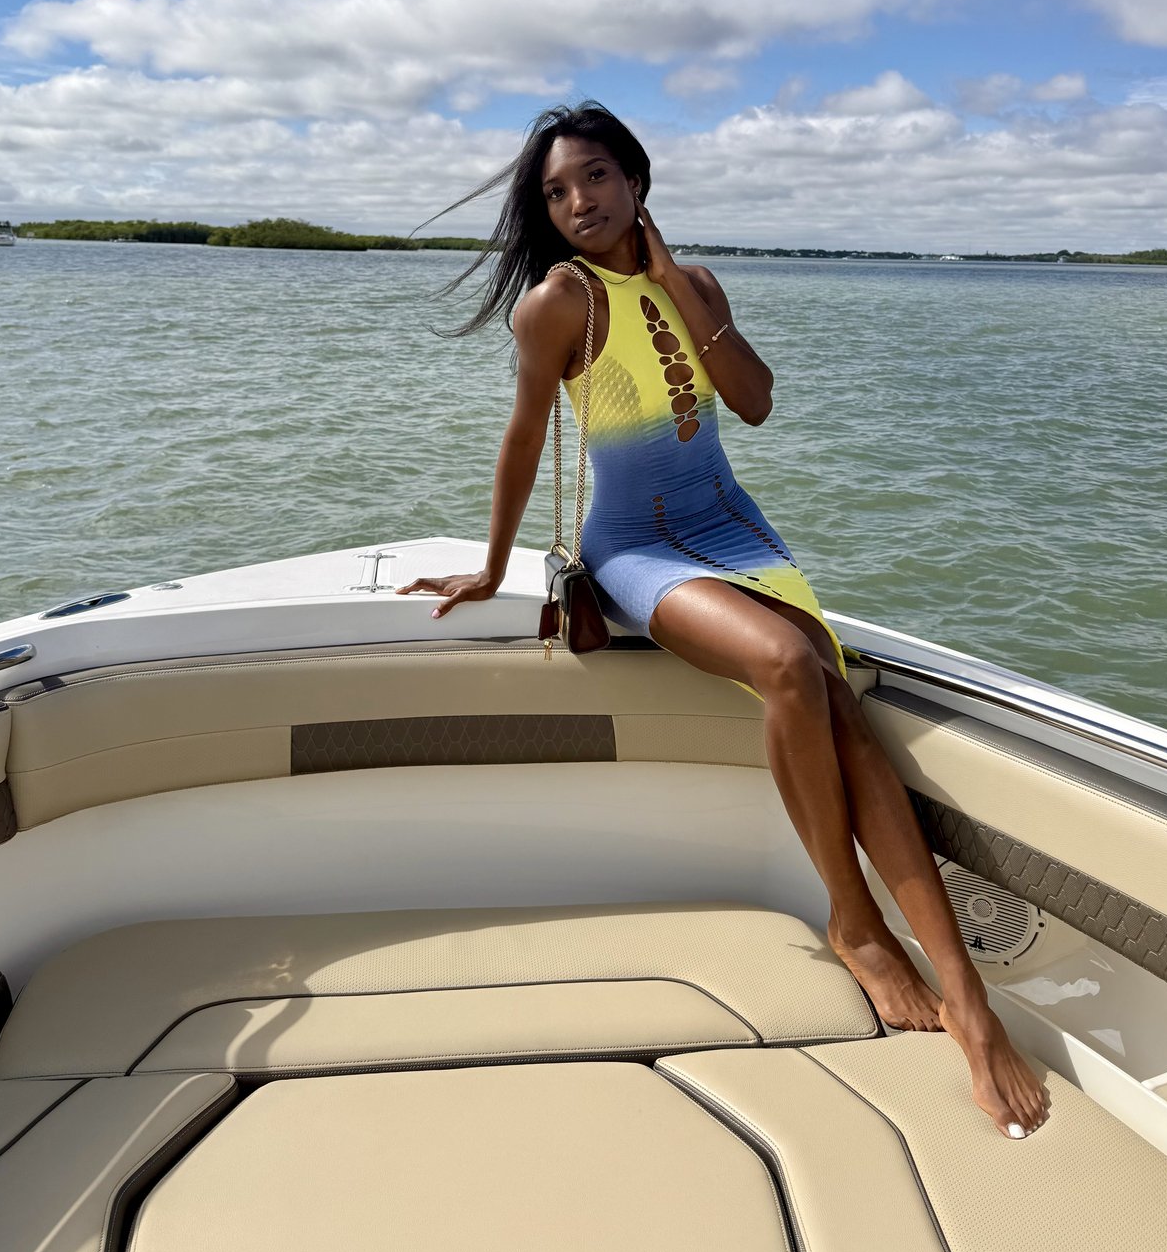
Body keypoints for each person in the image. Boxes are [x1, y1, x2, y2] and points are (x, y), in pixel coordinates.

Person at [399, 100, 1049, 1140]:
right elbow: (523, 436)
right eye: (557, 192)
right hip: (637, 546)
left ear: (636, 179)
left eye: (596, 177)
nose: (578, 202)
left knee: (835, 698)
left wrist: (671, 284)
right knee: (790, 663)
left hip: (736, 531)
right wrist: (490, 567)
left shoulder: (695, 284)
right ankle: (856, 923)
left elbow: (754, 400)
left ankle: (965, 992)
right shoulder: (557, 304)